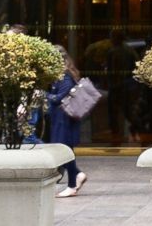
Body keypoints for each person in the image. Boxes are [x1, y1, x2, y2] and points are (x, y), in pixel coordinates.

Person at [47, 45, 88, 198]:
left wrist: (45, 94)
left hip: (64, 119)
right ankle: (76, 177)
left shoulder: (65, 76)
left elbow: (58, 98)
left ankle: (73, 182)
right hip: (61, 118)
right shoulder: (61, 75)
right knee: (64, 152)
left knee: (63, 151)